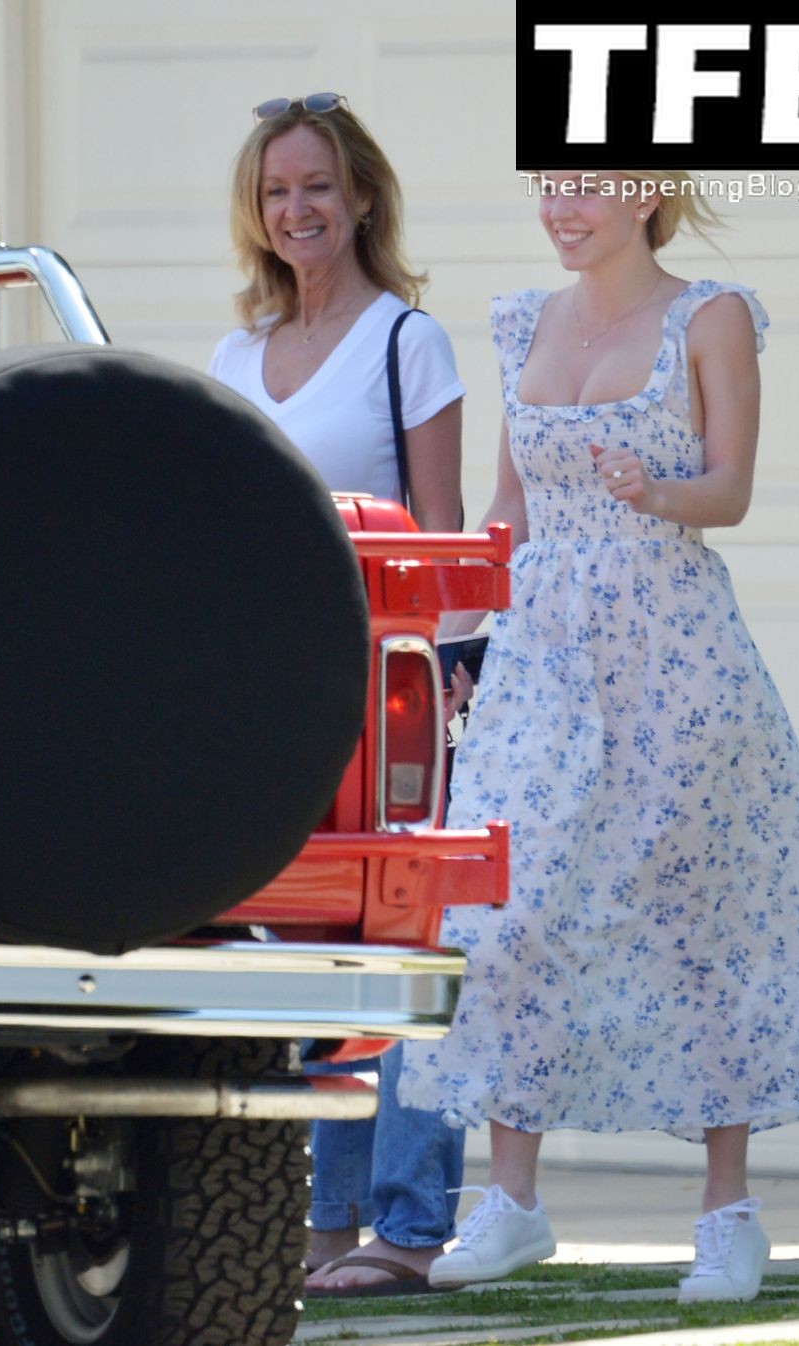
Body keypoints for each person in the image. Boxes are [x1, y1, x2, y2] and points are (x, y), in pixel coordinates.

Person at [398, 169, 799, 1304]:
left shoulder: (712, 316)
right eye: (550, 186)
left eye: (589, 187)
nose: (562, 209)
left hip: (674, 648)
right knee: (508, 908)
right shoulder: (522, 322)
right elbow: (509, 508)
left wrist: (654, 490)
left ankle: (728, 1213)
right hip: (541, 652)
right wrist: (455, 640)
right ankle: (513, 1200)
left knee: (701, 916)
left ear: (650, 191)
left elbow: (731, 490)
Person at [208, 92, 469, 1298]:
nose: (297, 208)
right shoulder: (234, 358)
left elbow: (442, 534)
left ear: (361, 197)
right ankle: (326, 1216)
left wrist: (451, 679)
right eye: (277, 191)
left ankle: (408, 1226)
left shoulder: (408, 342)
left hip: (387, 687)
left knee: (400, 942)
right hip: (268, 687)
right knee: (302, 945)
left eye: (317, 185)